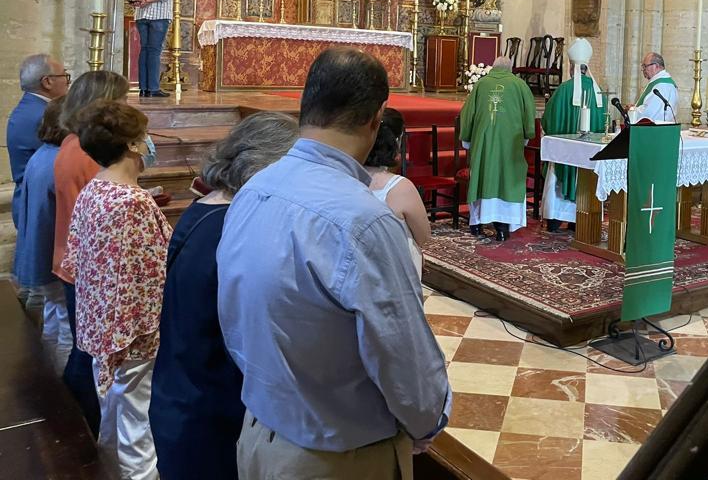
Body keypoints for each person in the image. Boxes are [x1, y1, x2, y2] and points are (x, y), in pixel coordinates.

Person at [218, 47, 450, 480]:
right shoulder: (363, 221)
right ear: (375, 118)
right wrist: (428, 420)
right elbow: (404, 359)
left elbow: (234, 316)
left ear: (306, 107)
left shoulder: (253, 189)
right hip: (335, 457)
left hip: (256, 436)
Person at [150, 112, 299, 480]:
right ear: (268, 167)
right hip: (209, 408)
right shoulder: (234, 227)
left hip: (181, 391)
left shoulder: (207, 206)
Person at [61, 100, 171, 480]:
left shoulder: (96, 188)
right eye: (145, 136)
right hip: (133, 337)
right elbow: (148, 276)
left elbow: (77, 257)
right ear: (134, 146)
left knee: (115, 419)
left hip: (99, 326)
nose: (150, 141)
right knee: (138, 431)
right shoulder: (132, 202)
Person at [54, 70, 130, 435]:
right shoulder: (86, 154)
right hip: (87, 264)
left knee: (83, 349)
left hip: (76, 258)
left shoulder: (70, 143)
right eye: (121, 100)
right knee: (87, 355)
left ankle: (72, 417)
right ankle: (78, 426)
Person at [13, 96, 73, 373]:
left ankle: (48, 376)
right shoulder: (60, 162)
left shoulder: (43, 155)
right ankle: (62, 391)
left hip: (40, 253)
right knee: (67, 329)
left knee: (53, 317)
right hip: (53, 257)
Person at [7, 53, 70, 289]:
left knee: (46, 292)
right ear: (47, 82)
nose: (67, 81)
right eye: (64, 75)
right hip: (39, 203)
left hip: (34, 198)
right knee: (51, 289)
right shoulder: (43, 115)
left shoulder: (31, 108)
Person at [459, 56, 536, 242]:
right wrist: (527, 134)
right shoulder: (520, 85)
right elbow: (529, 113)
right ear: (510, 69)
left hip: (483, 142)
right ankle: (502, 228)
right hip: (511, 143)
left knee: (483, 178)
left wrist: (467, 137)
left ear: (493, 67)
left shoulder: (481, 84)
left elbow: (467, 113)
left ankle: (477, 223)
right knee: (506, 178)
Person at [540, 39, 607, 233]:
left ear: (572, 68)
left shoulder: (564, 89)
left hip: (565, 154)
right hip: (590, 152)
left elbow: (549, 120)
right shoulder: (598, 93)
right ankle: (580, 219)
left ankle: (554, 220)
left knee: (557, 181)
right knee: (584, 179)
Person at [364, 108, 431, 278]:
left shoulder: (344, 176)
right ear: (396, 142)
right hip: (393, 271)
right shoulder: (400, 188)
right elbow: (423, 236)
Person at [127, 0, 176, 98]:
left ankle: (143, 88)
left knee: (145, 49)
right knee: (154, 50)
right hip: (159, 16)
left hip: (142, 14)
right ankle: (153, 88)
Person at [630, 51, 678, 123]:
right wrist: (635, 107)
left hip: (655, 130)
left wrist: (631, 110)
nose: (643, 70)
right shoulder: (662, 82)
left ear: (656, 66)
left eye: (645, 66)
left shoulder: (661, 85)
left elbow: (648, 115)